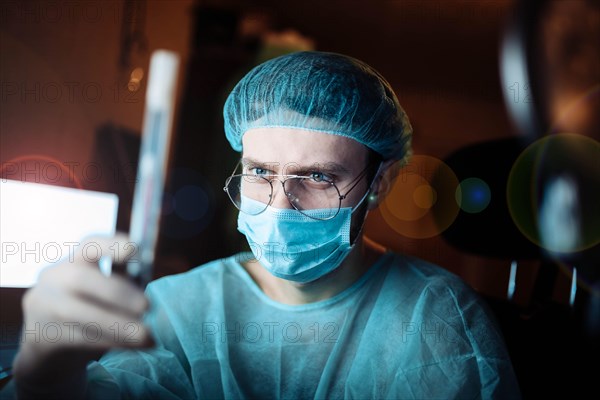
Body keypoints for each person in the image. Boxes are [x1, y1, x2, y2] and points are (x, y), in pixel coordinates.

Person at [4, 51, 520, 399]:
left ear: (380, 183)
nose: (280, 205)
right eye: (259, 172)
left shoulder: (435, 317)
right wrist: (42, 372)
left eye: (317, 176)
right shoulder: (179, 308)